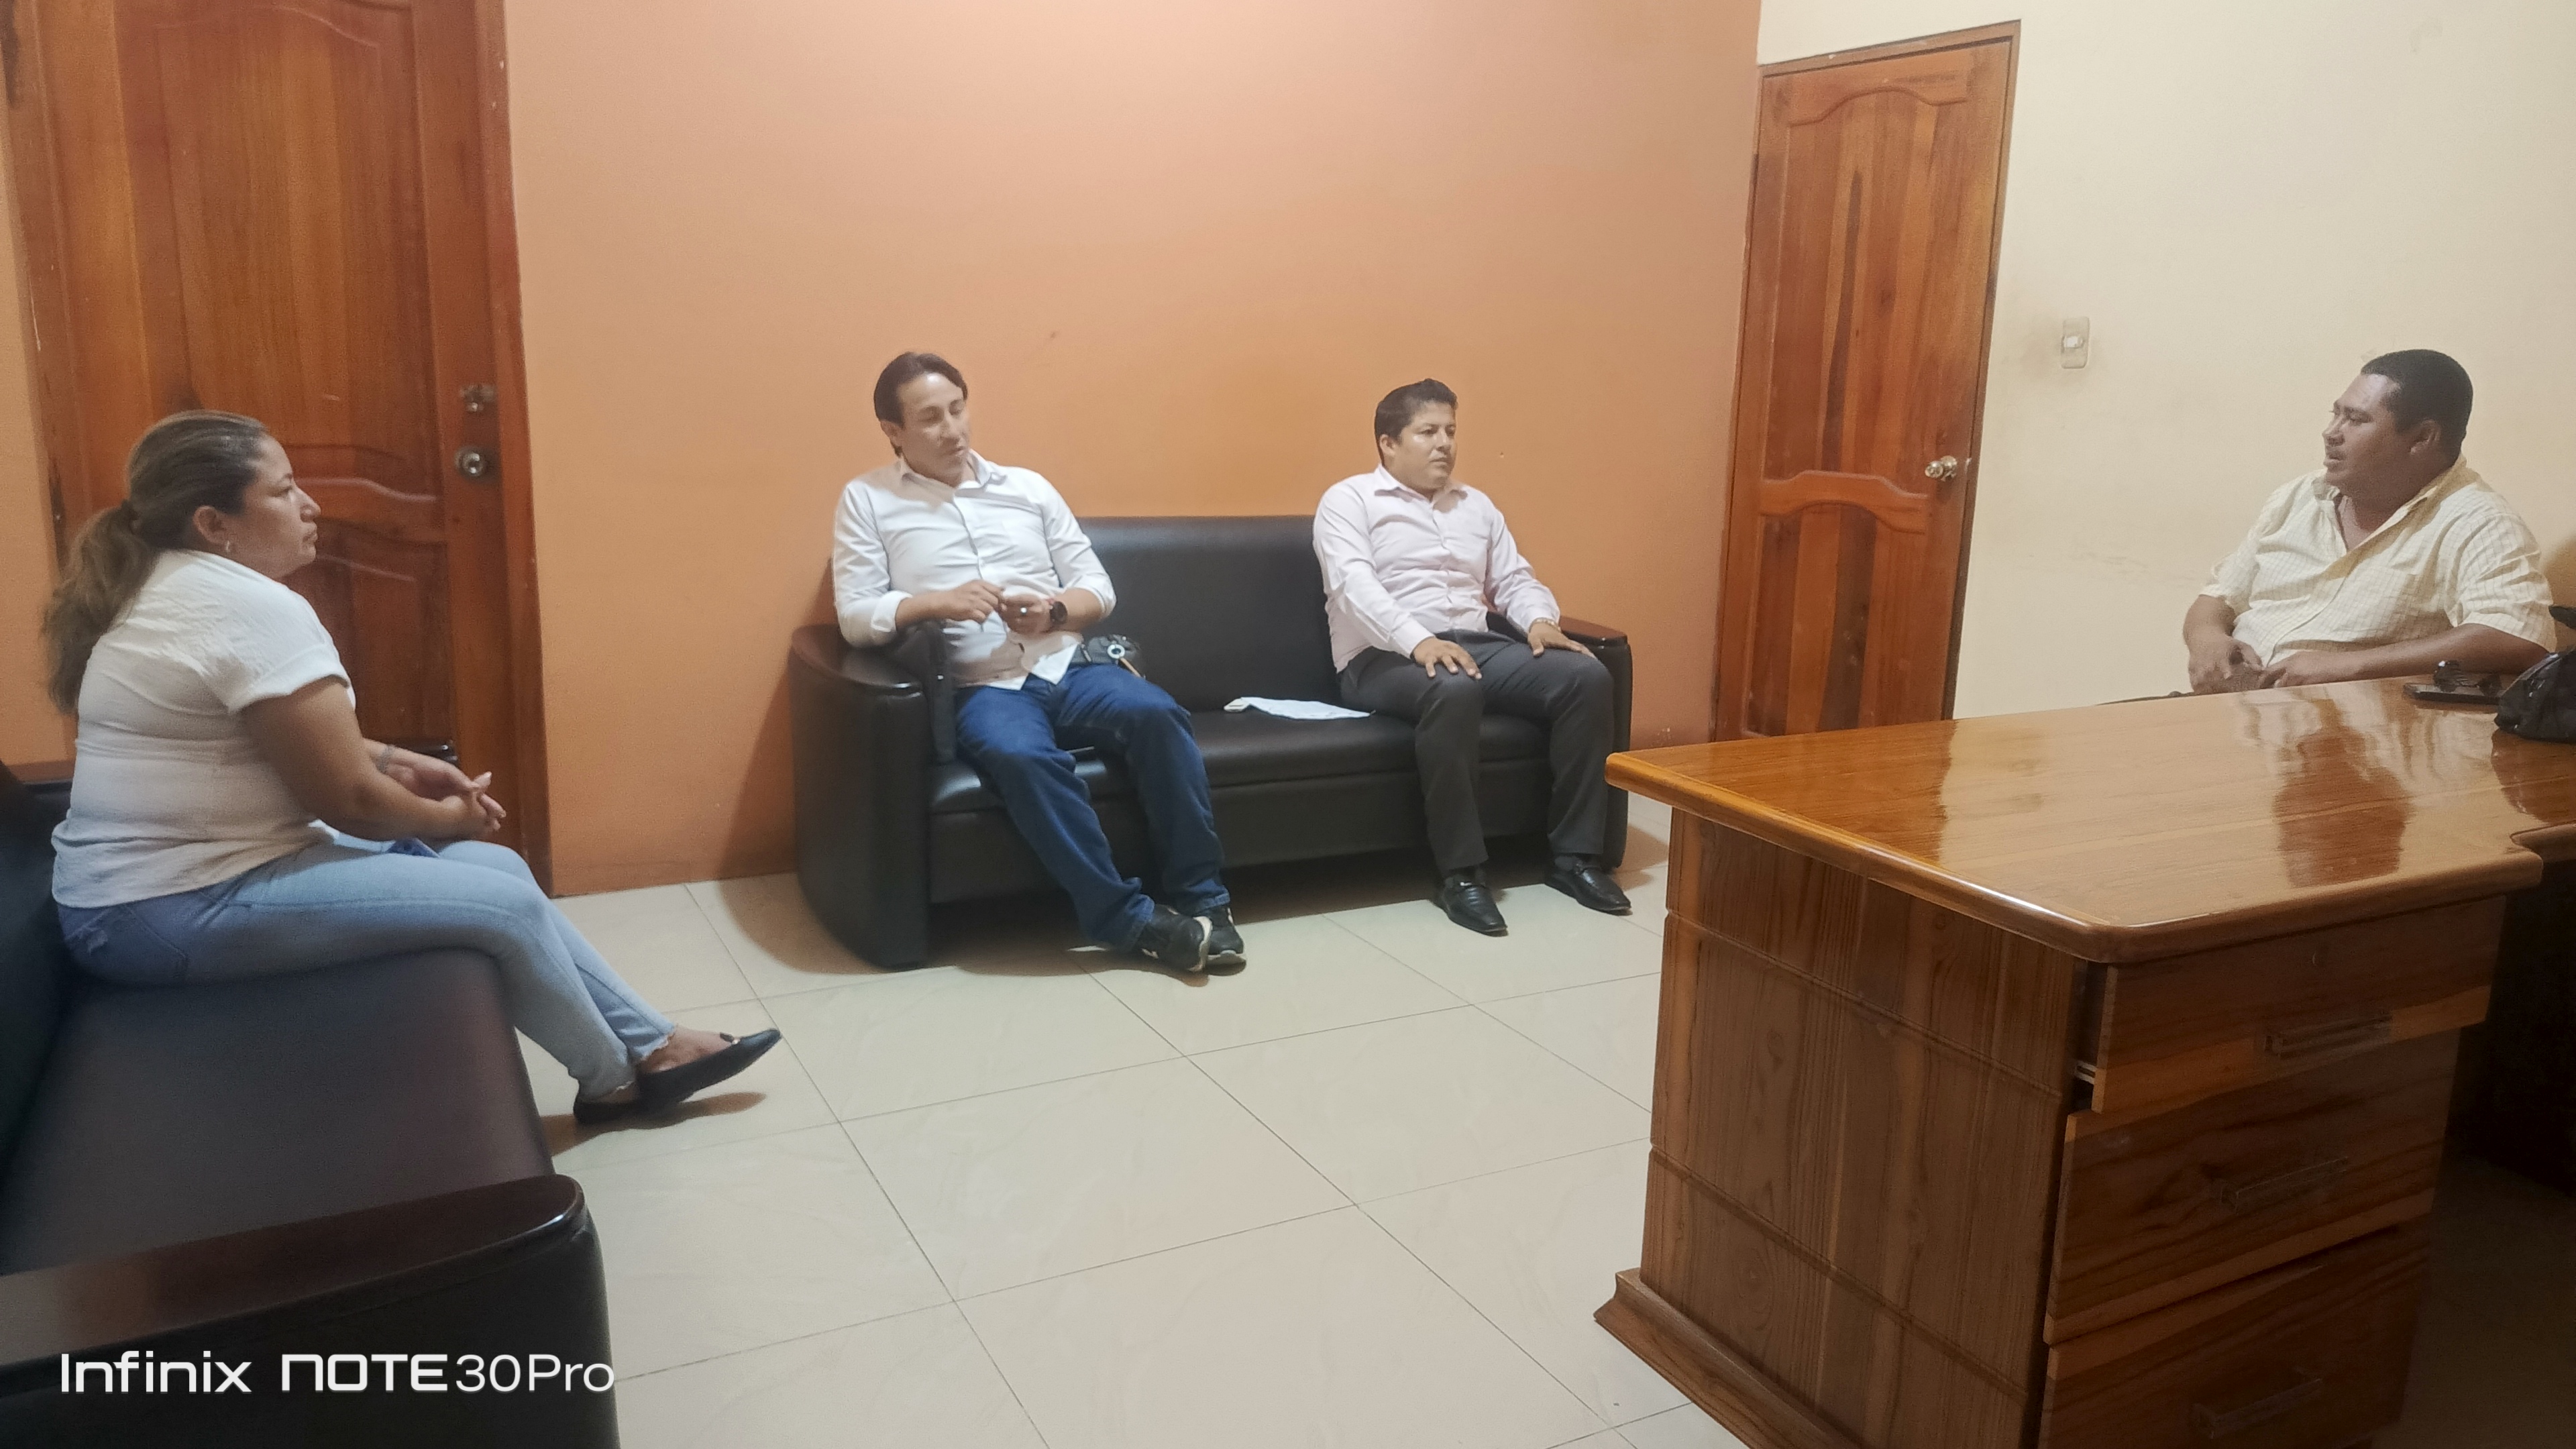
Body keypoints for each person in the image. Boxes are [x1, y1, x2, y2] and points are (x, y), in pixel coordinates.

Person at [42, 411, 775, 1126]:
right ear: (213, 523)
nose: (311, 504)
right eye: (284, 490)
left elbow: (262, 737)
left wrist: (398, 760)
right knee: (504, 908)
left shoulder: (168, 582)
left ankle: (655, 1045)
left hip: (158, 893)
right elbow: (353, 803)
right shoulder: (245, 608)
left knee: (497, 870)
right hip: (162, 909)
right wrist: (446, 818)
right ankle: (613, 1084)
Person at [831, 352, 1242, 971]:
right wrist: (935, 603)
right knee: (1022, 756)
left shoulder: (1028, 488)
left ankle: (1204, 898)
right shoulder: (867, 500)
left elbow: (1097, 589)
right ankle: (1128, 920)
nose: (953, 429)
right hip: (981, 688)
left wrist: (1053, 612)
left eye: (958, 409)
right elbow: (856, 616)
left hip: (1068, 669)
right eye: (931, 418)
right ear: (893, 430)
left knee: (1157, 713)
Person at [1314, 378, 1627, 936]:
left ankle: (1576, 858)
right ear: (1389, 443)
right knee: (1453, 686)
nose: (1445, 444)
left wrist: (1539, 621)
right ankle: (1461, 875)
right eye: (1428, 432)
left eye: (1451, 431)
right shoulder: (1349, 501)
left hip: (1475, 645)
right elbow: (1354, 587)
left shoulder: (1476, 505)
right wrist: (1419, 641)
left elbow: (1513, 579)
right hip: (1380, 657)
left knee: (1585, 676)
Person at [2186, 350, 2554, 693]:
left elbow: (2519, 638)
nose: (2331, 433)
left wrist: (2349, 666)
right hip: (2226, 710)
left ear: (2422, 438)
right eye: (2336, 414)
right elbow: (2219, 596)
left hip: (2337, 726)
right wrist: (2207, 639)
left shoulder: (2477, 521)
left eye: (2356, 419)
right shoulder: (2300, 496)